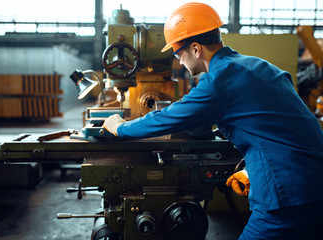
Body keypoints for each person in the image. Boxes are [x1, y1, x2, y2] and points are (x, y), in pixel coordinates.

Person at [103, 2, 323, 239]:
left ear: (196, 49)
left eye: (178, 53)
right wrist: (252, 172)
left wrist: (121, 128)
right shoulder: (259, 66)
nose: (179, 62)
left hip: (288, 197)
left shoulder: (220, 80)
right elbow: (287, 130)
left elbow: (170, 117)